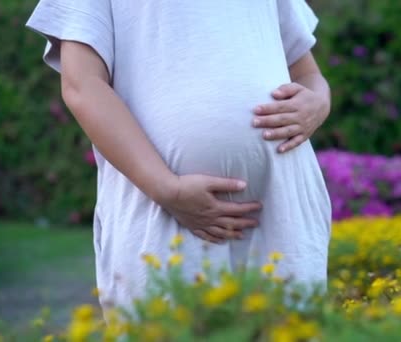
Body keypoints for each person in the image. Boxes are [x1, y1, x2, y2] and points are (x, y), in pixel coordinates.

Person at [26, 0, 332, 312]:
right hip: (163, 215)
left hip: (283, 209)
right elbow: (82, 85)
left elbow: (307, 72)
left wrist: (319, 102)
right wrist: (166, 187)